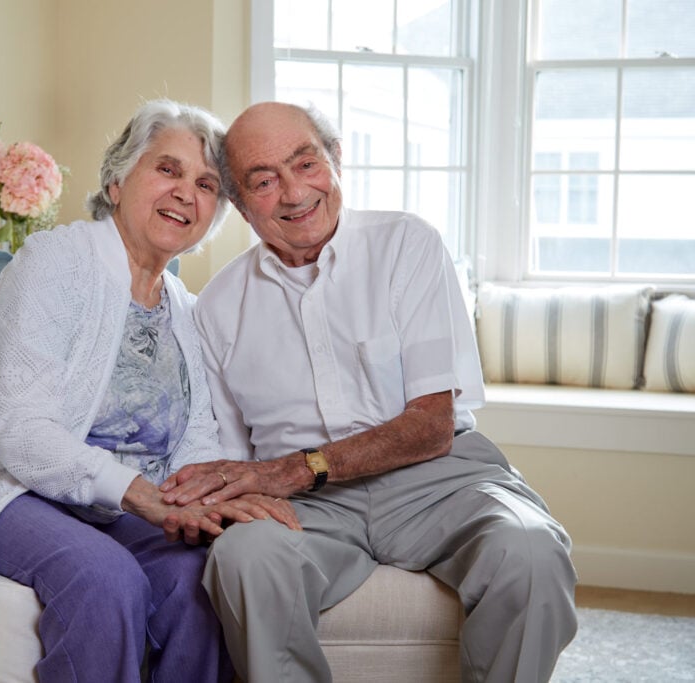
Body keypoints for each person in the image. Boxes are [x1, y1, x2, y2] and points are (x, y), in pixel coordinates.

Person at [159, 102, 579, 682]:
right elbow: (233, 456)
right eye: (263, 180)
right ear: (239, 203)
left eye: (305, 163)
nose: (293, 192)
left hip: (439, 477)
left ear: (334, 160)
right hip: (308, 508)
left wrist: (295, 470)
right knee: (244, 559)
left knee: (530, 550)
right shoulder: (219, 305)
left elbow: (432, 424)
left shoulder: (407, 244)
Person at [0, 99, 298, 683]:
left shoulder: (185, 309)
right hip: (10, 487)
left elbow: (195, 434)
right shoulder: (54, 262)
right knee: (106, 578)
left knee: (199, 579)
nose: (187, 192)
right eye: (168, 169)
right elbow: (20, 433)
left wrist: (206, 499)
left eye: (207, 184)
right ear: (116, 180)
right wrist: (139, 494)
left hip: (116, 505)